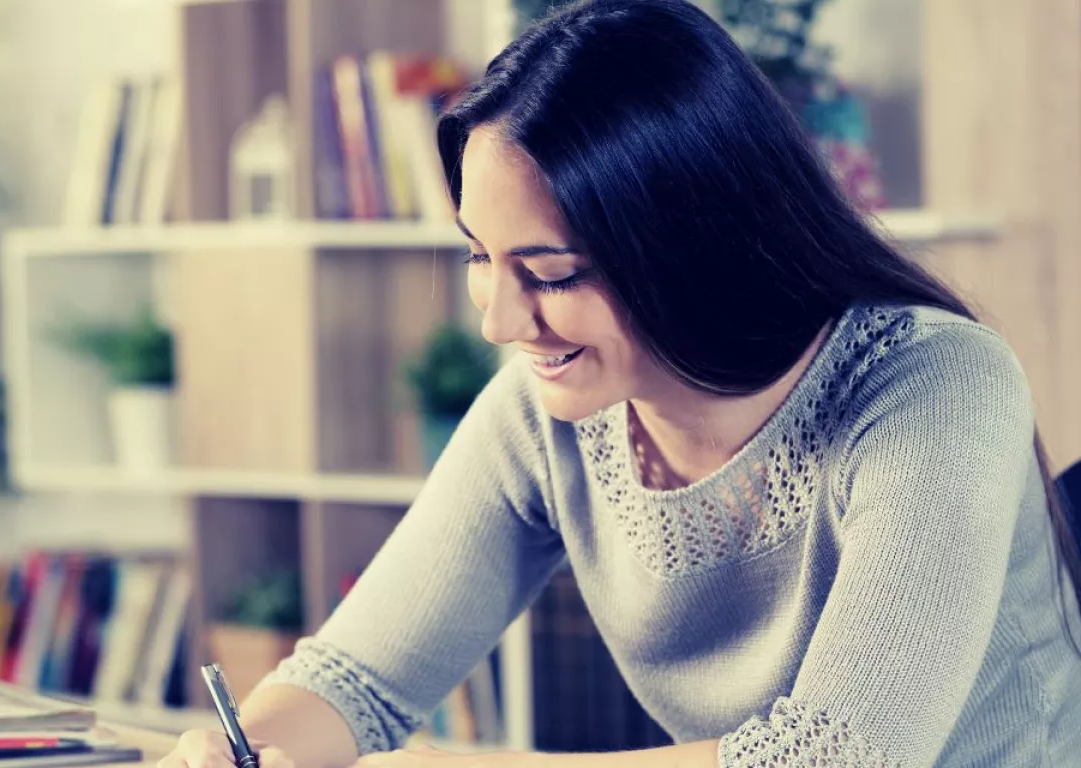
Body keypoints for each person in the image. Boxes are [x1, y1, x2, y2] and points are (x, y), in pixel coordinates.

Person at [158, 1, 1081, 766]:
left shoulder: (932, 386)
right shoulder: (551, 410)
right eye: (481, 258)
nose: (499, 320)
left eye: (551, 273)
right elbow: (359, 678)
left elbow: (836, 756)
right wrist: (253, 746)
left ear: (691, 248)